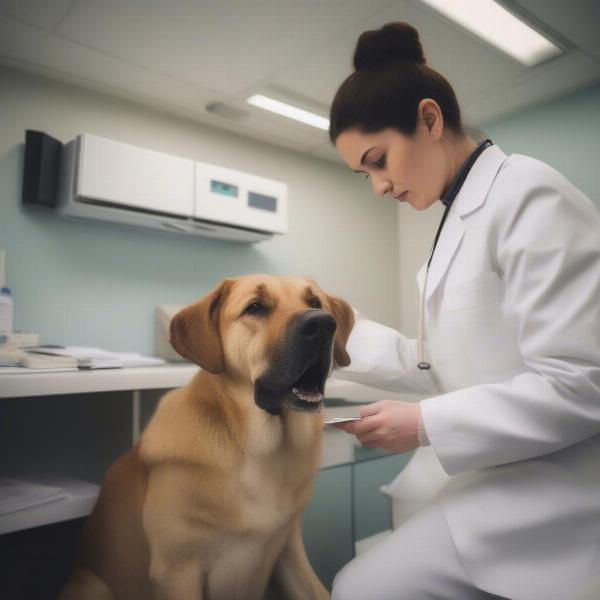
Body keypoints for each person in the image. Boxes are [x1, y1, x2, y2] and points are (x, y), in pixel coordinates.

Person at [327, 21, 600, 600]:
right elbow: (432, 364)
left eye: (378, 161)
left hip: (563, 498)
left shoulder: (526, 192)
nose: (377, 186)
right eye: (365, 173)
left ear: (430, 120)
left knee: (356, 589)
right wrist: (328, 333)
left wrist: (424, 424)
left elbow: (584, 384)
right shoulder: (457, 219)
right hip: (504, 481)